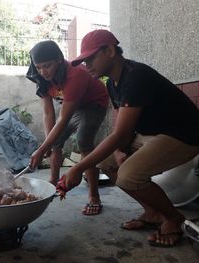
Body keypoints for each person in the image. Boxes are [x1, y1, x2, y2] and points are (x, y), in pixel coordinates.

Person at [57, 29, 199, 247]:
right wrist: (119, 150)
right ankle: (152, 213)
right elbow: (123, 130)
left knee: (129, 176)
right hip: (153, 134)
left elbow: (120, 134)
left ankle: (174, 218)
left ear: (110, 50)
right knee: (107, 163)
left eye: (91, 58)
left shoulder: (135, 76)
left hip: (184, 135)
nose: (87, 66)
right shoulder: (112, 84)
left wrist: (77, 168)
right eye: (84, 61)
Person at [26, 40, 109, 215]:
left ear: (58, 59)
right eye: (39, 67)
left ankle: (94, 197)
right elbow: (49, 113)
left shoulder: (75, 74)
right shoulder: (40, 76)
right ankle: (53, 183)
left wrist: (42, 149)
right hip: (74, 106)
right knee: (54, 142)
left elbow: (63, 118)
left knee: (84, 141)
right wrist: (48, 145)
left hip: (94, 103)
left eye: (47, 66)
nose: (43, 72)